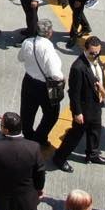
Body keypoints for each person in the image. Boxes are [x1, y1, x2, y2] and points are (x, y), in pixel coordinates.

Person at [50, 36, 105, 172]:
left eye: (98, 52)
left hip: (95, 104)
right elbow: (74, 93)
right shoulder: (78, 67)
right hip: (84, 108)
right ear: (85, 49)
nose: (95, 55)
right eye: (92, 53)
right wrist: (77, 112)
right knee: (75, 135)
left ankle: (92, 154)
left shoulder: (96, 60)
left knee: (95, 131)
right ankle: (59, 157)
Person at [18, 21, 63, 149]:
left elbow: (20, 58)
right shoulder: (48, 48)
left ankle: (28, 135)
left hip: (28, 81)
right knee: (51, 115)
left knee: (27, 112)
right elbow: (55, 74)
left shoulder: (27, 42)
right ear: (49, 33)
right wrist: (62, 78)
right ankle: (39, 138)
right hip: (45, 87)